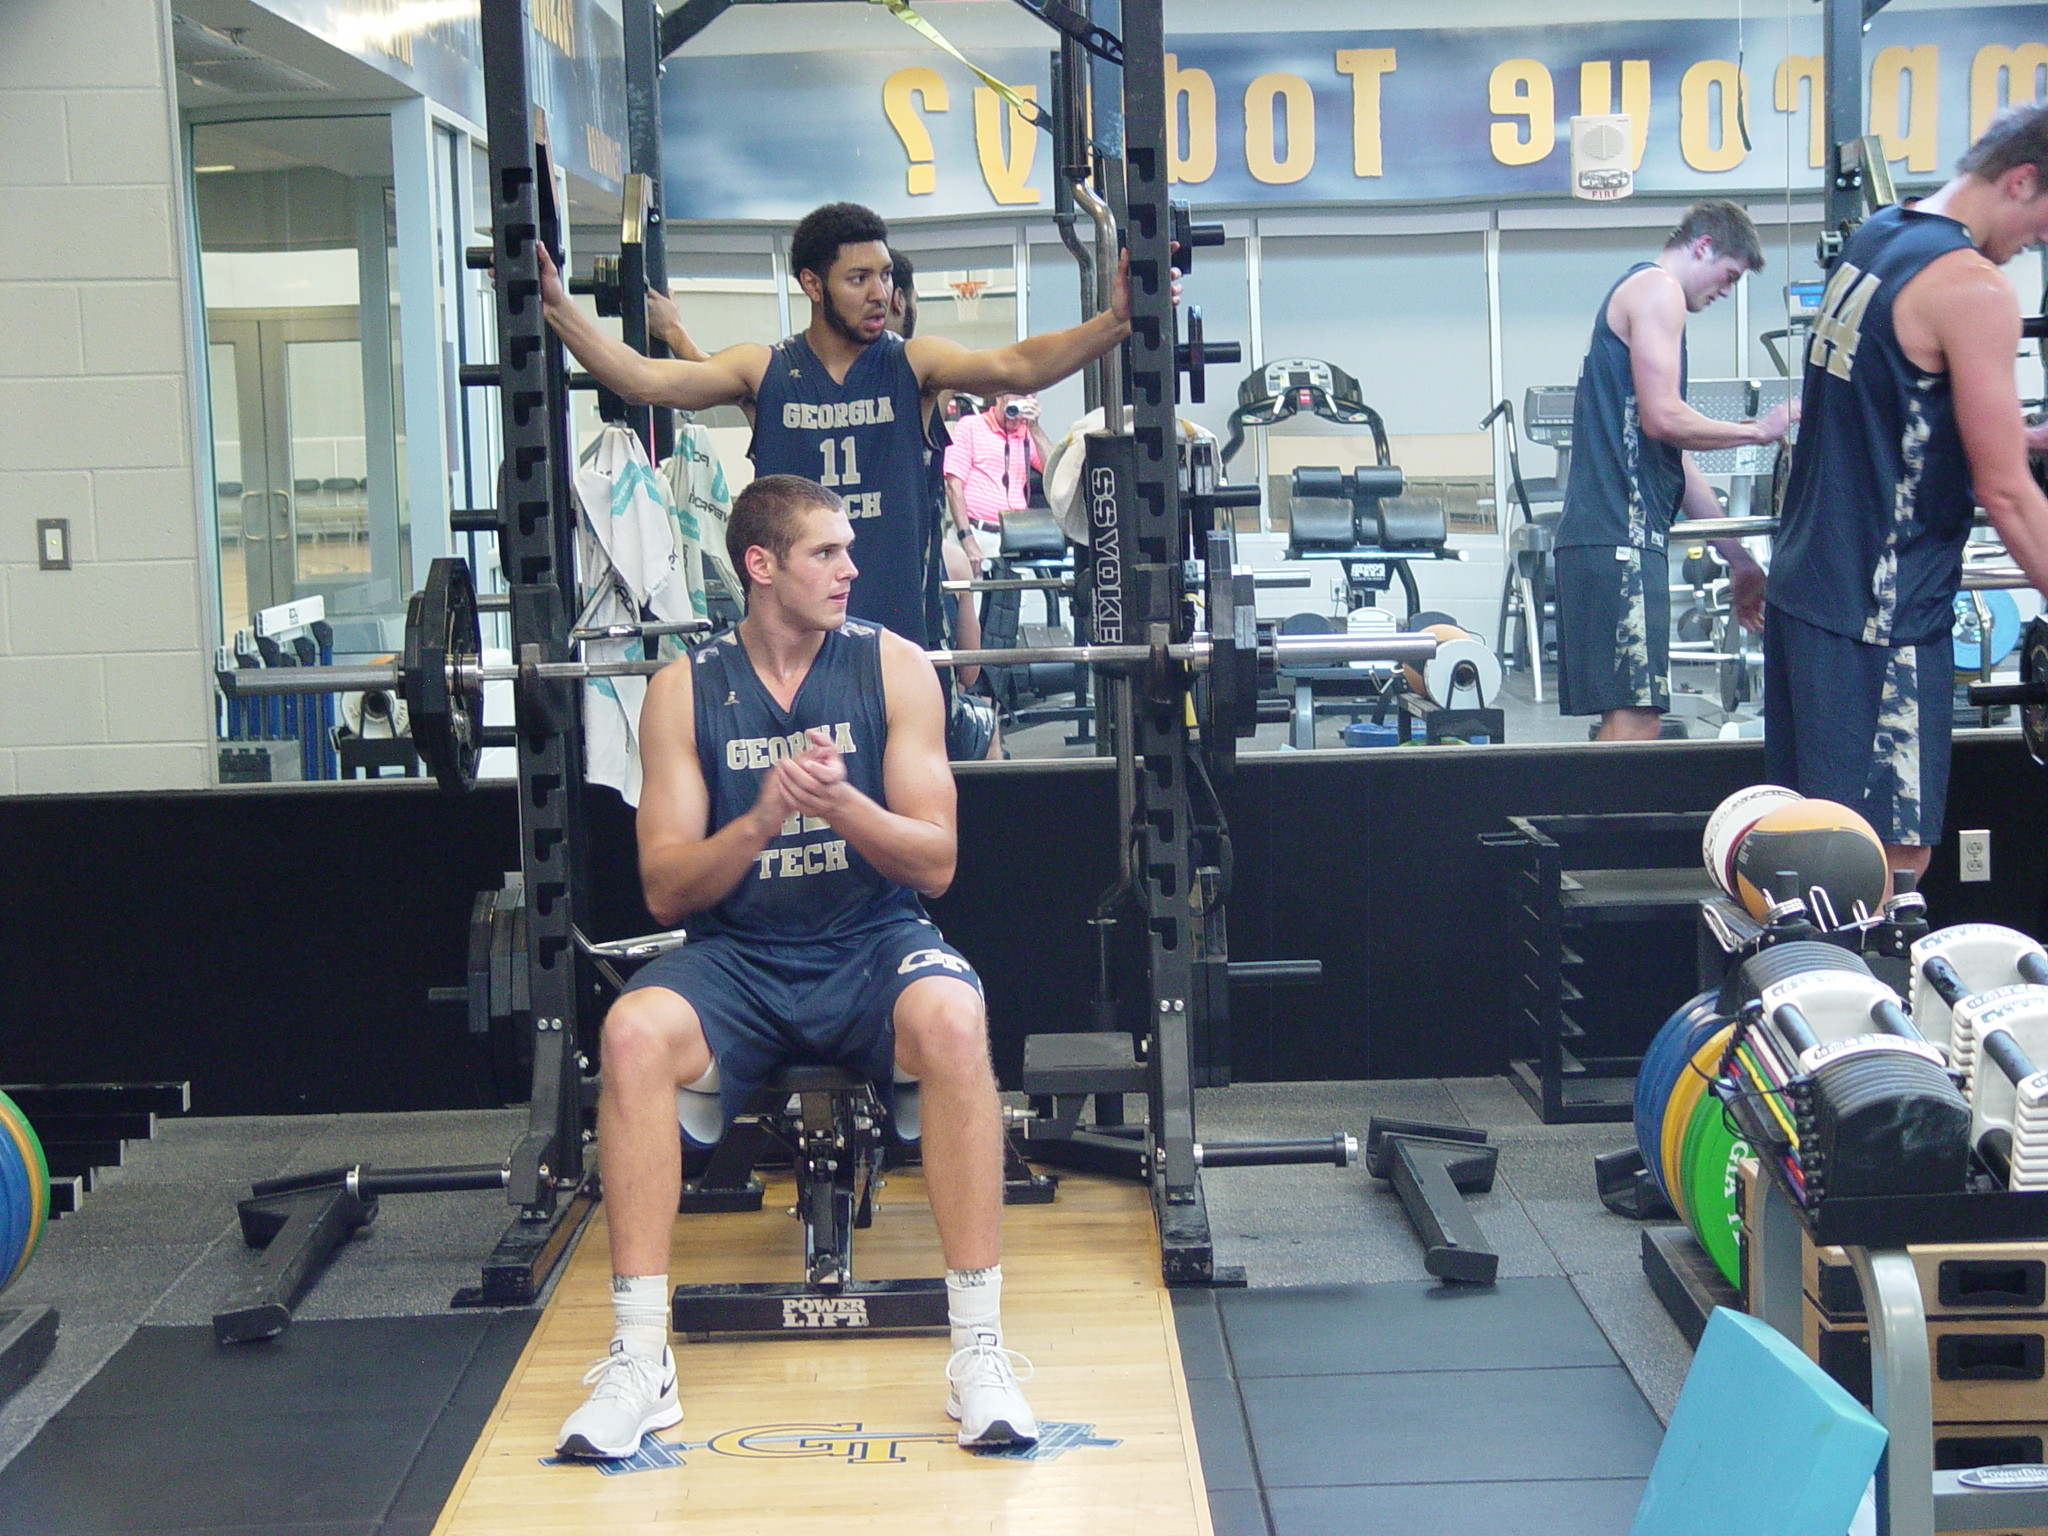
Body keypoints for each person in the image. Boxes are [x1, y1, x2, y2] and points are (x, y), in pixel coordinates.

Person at [554, 474, 1036, 1460]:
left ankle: (979, 1353)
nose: (851, 569)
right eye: (826, 553)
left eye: (848, 551)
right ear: (760, 566)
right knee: (630, 1031)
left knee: (952, 1020)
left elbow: (935, 864)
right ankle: (639, 1360)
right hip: (739, 959)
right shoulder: (684, 691)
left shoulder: (895, 668)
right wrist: (764, 816)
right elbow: (664, 889)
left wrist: (838, 807)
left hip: (870, 943)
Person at [537, 200, 1131, 648]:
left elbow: (1016, 364)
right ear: (813, 285)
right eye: (859, 279)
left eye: (885, 276)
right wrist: (558, 309)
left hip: (899, 646)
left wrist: (1115, 321)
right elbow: (645, 380)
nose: (880, 293)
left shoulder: (912, 364)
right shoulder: (764, 368)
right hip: (790, 652)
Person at [1764, 101, 2048, 881]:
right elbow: (2010, 495)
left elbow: (1884, 408)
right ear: (2022, 181)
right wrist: (2011, 460)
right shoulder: (1975, 288)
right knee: (1884, 863)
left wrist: (2012, 434)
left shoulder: (1879, 236)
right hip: (1881, 612)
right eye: (2045, 223)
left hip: (1808, 595)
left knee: (1812, 854)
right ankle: (1849, 1001)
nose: (2040, 243)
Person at [1551, 200, 1797, 740]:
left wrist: (1737, 558)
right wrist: (1757, 431)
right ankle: (1613, 826)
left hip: (1613, 538)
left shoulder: (1647, 296)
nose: (1726, 292)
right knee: (1636, 723)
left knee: (1628, 720)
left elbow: (1673, 459)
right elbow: (1666, 420)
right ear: (1703, 247)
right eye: (1728, 276)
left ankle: (1608, 823)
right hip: (1617, 538)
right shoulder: (1658, 290)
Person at [943, 392, 1054, 573]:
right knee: (978, 599)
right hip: (977, 532)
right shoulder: (971, 426)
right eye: (1012, 405)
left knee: (1017, 598)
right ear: (998, 397)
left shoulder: (1026, 434)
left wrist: (1035, 427)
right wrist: (968, 539)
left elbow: (1054, 472)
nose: (1015, 416)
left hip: (1016, 536)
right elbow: (953, 486)